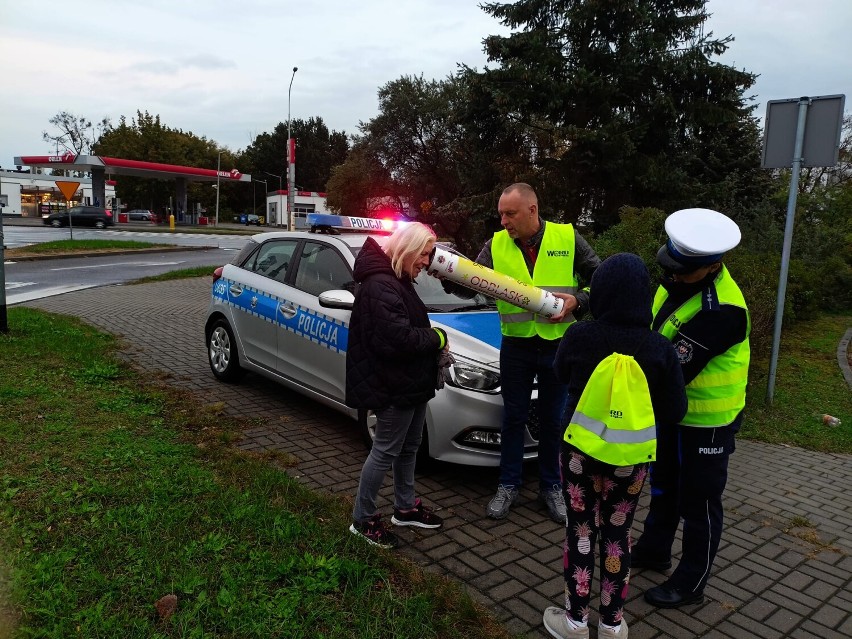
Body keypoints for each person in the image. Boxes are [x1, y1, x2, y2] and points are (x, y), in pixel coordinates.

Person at [542, 253, 687, 639]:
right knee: (618, 536)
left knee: (581, 531)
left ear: (602, 293)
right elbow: (675, 410)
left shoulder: (579, 335)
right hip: (631, 460)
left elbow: (559, 373)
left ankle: (574, 621)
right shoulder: (660, 348)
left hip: (578, 454)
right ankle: (611, 624)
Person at [447, 183, 601, 522]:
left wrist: (580, 300)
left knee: (553, 419)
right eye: (501, 214)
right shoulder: (496, 245)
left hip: (558, 344)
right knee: (514, 417)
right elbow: (471, 282)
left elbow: (600, 278)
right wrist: (446, 272)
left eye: (510, 213)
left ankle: (551, 487)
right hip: (516, 344)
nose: (503, 221)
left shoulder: (567, 238)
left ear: (532, 210)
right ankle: (508, 485)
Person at [631, 208, 750, 608]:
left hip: (708, 423)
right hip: (672, 415)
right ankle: (654, 549)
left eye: (683, 271)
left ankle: (691, 581)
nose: (673, 276)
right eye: (671, 267)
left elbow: (672, 367)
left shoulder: (724, 312)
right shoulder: (675, 282)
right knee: (663, 485)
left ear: (713, 266)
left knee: (698, 501)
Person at [346, 221, 449, 549]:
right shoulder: (380, 284)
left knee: (409, 447)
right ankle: (362, 518)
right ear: (407, 249)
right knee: (385, 450)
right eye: (424, 253)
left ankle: (404, 508)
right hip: (391, 384)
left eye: (430, 254)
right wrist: (438, 338)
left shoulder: (398, 280)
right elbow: (397, 339)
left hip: (410, 381)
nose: (426, 261)